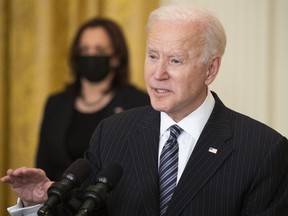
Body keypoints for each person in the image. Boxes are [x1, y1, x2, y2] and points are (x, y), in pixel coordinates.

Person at [1, 4, 288, 216]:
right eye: (152, 56)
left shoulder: (264, 150)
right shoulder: (112, 132)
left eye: (175, 61)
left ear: (210, 69)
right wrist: (39, 200)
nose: (157, 74)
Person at [35, 17, 150, 181]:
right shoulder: (56, 104)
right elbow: (43, 166)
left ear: (116, 58)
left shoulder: (138, 103)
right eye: (84, 50)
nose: (91, 56)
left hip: (112, 204)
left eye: (100, 50)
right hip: (58, 203)